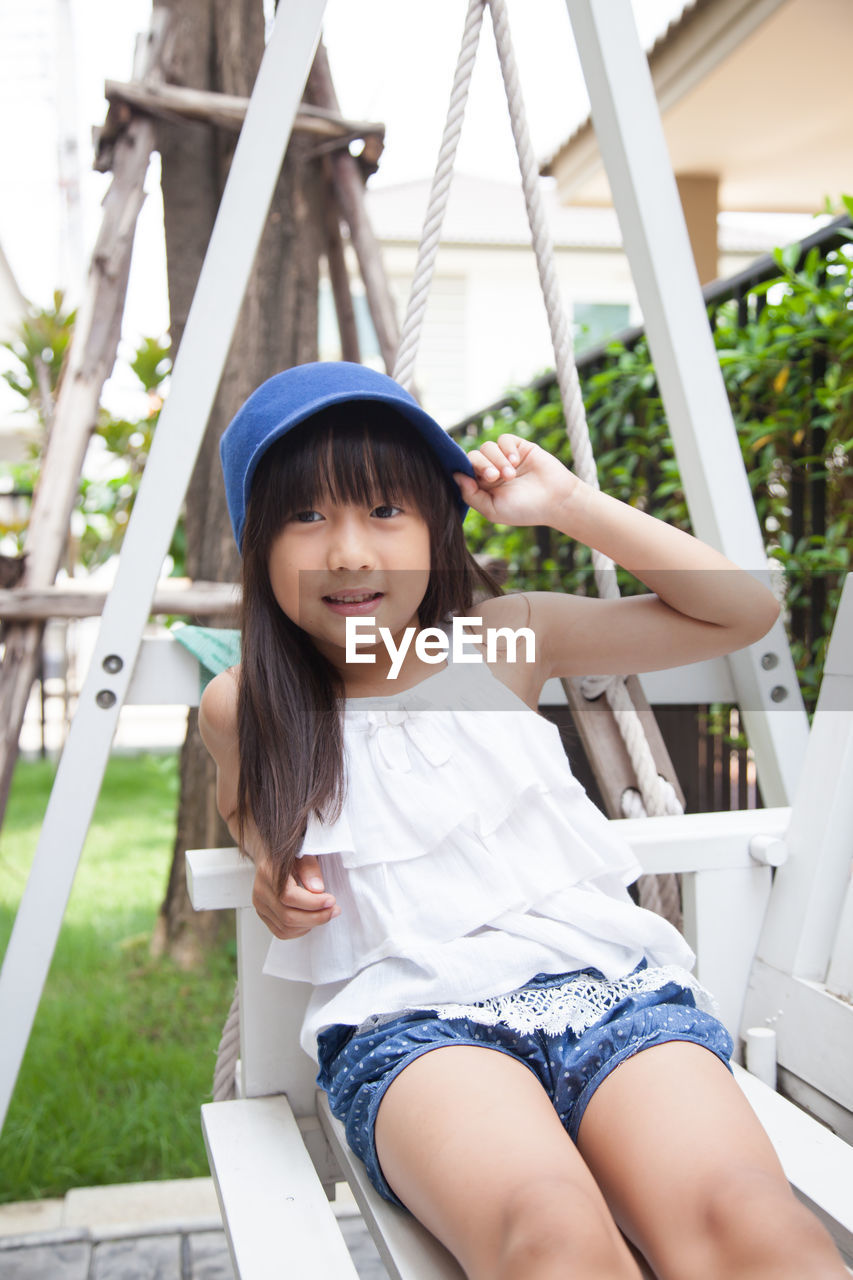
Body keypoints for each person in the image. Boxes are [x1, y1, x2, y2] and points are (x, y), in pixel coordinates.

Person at [200, 361, 845, 1280]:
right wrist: (273, 872)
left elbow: (743, 611)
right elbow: (246, 808)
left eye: (385, 510)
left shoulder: (501, 642)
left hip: (611, 996)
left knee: (750, 1220)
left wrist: (570, 503)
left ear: (437, 521)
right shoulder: (247, 705)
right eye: (307, 516)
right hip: (415, 1026)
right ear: (257, 544)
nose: (349, 551)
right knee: (549, 1237)